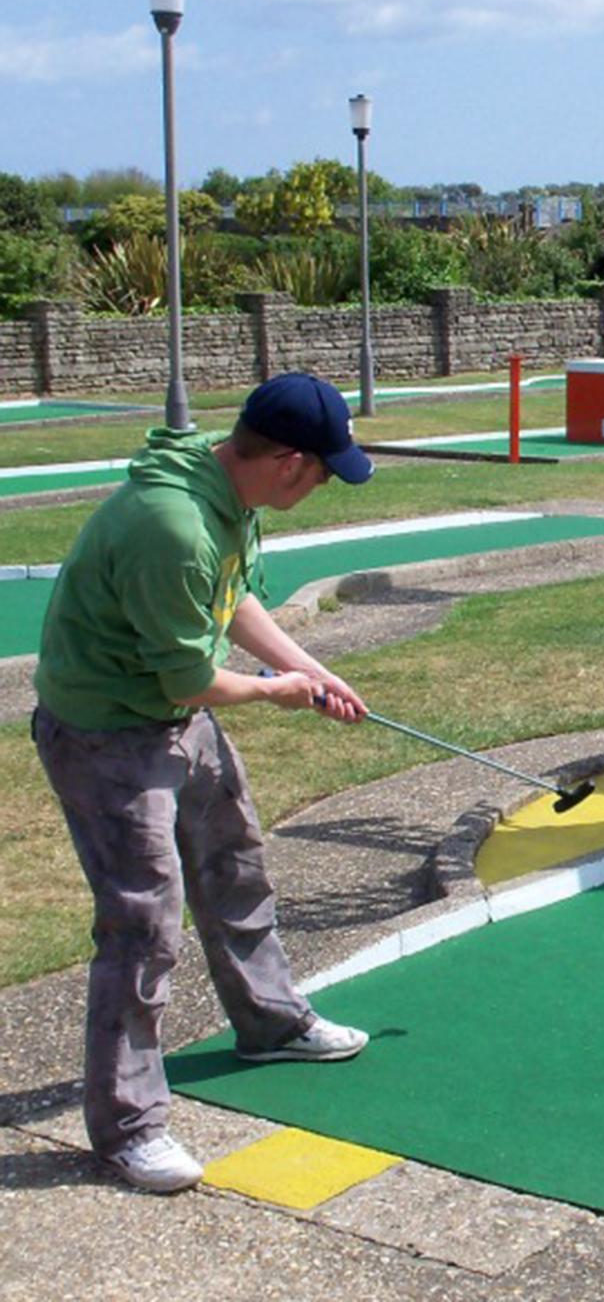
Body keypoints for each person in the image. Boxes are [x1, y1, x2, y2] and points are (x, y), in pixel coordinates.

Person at [33, 373, 377, 1194]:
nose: (326, 485)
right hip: (107, 735)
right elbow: (193, 676)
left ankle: (270, 1022)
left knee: (234, 864)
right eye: (327, 472)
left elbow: (234, 605)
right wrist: (278, 692)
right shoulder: (174, 526)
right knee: (142, 927)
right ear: (291, 462)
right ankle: (128, 1129)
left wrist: (313, 669)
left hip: (167, 715)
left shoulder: (225, 491)